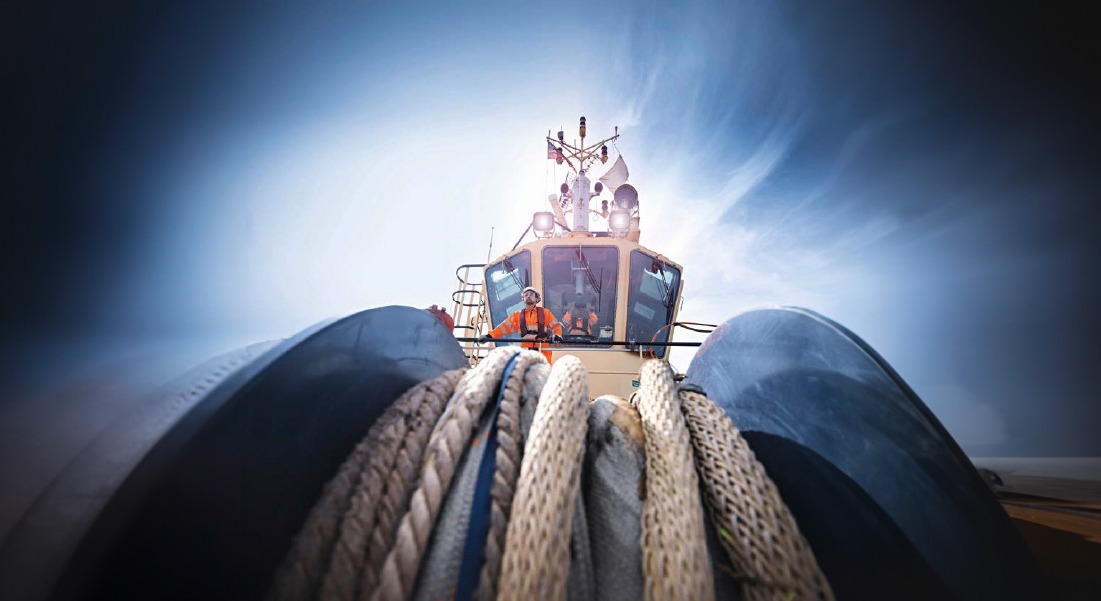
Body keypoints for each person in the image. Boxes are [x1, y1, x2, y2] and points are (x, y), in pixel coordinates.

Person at [480, 286, 563, 362]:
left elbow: (556, 326)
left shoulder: (545, 313)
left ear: (537, 298)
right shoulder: (517, 315)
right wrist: (489, 336)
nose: (528, 296)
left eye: (531, 294)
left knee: (544, 373)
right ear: (523, 298)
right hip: (525, 351)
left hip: (543, 350)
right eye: (526, 295)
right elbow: (503, 327)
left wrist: (557, 336)